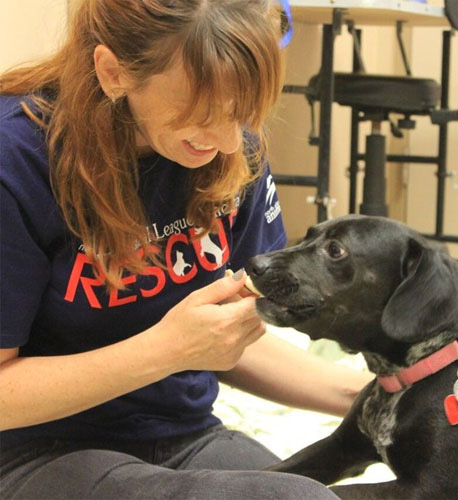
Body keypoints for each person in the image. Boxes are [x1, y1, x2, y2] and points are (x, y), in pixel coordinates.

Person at [0, 1, 371, 498]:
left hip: (182, 433)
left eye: (241, 114)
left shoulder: (232, 145)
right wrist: (166, 350)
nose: (224, 142)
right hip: (35, 450)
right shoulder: (16, 161)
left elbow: (224, 340)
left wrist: (370, 397)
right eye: (199, 116)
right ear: (113, 73)